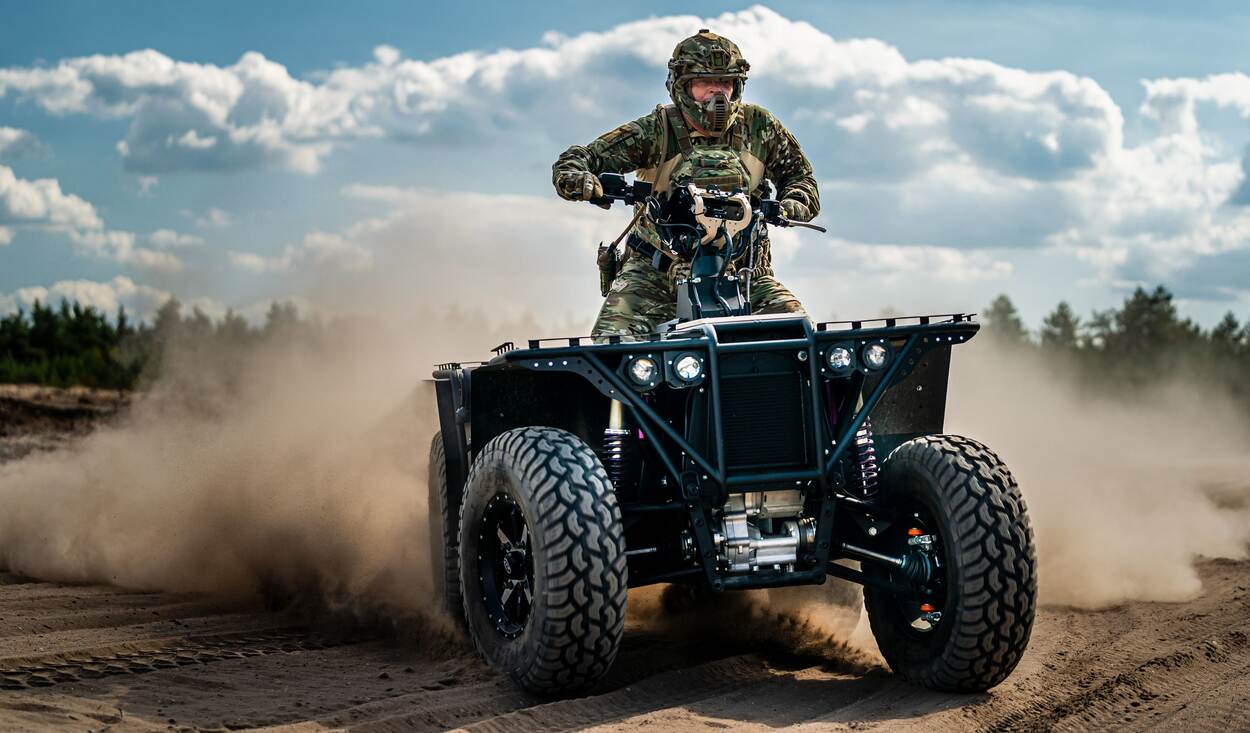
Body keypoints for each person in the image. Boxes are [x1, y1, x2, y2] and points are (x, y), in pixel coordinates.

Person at [552, 29, 820, 337]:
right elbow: (581, 158)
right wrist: (577, 178)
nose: (717, 94)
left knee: (803, 341)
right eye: (704, 83)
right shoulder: (656, 129)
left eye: (725, 83)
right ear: (681, 86)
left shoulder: (761, 127)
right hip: (655, 277)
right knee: (612, 347)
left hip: (745, 274)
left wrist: (792, 205)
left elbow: (801, 178)